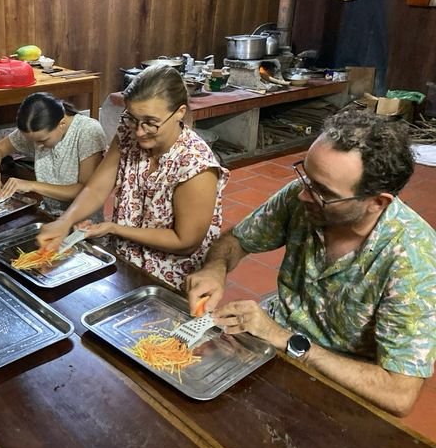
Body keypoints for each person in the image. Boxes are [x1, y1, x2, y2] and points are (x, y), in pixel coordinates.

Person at [186, 110, 436, 417]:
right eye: (306, 176)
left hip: (344, 379)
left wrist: (284, 338)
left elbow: (399, 394)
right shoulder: (304, 198)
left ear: (377, 202)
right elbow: (235, 241)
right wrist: (216, 269)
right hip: (273, 338)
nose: (304, 195)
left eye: (324, 193)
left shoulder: (413, 260)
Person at [37, 65, 228, 290]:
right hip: (124, 262)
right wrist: (64, 222)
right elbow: (96, 188)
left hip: (166, 279)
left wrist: (114, 228)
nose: (138, 131)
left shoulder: (196, 165)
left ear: (179, 112)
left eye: (150, 122)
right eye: (133, 118)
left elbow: (184, 242)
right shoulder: (129, 134)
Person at [0, 92, 106, 216]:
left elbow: (85, 189)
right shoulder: (36, 131)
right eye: (33, 141)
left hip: (83, 222)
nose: (37, 145)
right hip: (49, 215)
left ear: (61, 124)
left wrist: (32, 185)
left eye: (42, 141)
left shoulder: (88, 131)